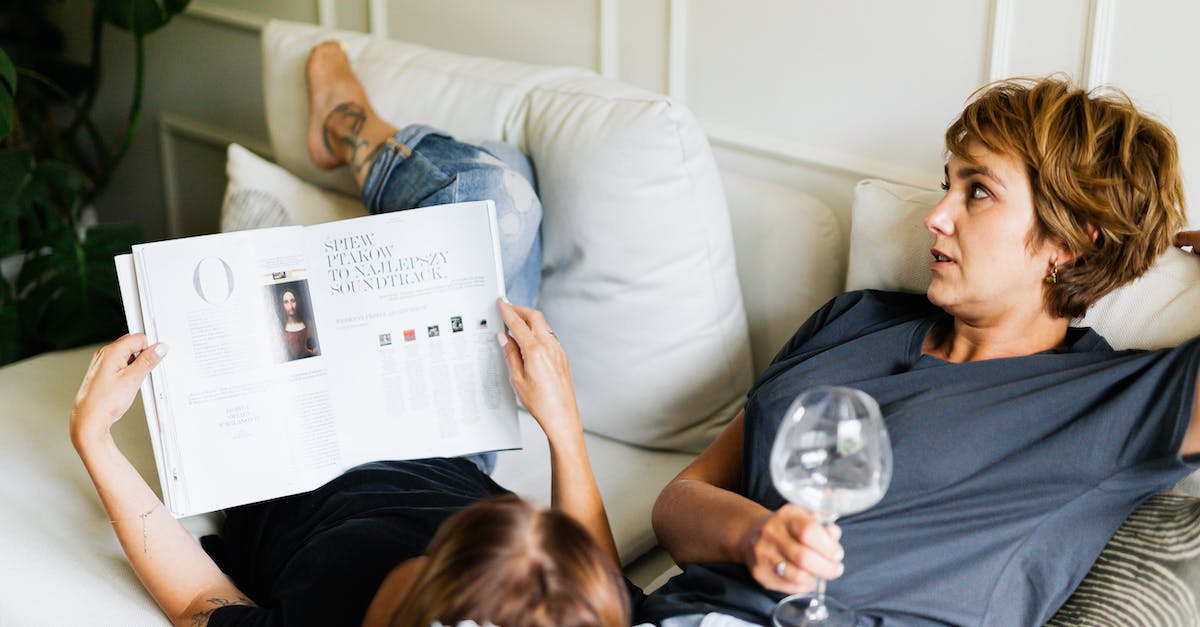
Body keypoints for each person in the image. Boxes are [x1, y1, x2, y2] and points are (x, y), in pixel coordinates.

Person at [70, 41, 628, 627]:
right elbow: (605, 585)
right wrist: (562, 424)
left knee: (502, 189)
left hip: (284, 453)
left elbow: (194, 603)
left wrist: (94, 439)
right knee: (501, 188)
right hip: (444, 436)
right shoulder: (551, 602)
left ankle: (347, 129)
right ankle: (373, 151)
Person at [640, 77, 1200, 626]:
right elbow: (679, 502)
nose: (935, 216)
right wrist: (754, 536)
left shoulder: (1114, 400)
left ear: (1073, 239)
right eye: (946, 186)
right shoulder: (852, 320)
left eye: (977, 191)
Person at [278, 287, 317, 360]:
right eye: (286, 302)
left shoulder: (309, 325)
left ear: (297, 302)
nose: (290, 306)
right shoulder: (281, 331)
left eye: (293, 301)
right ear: (282, 305)